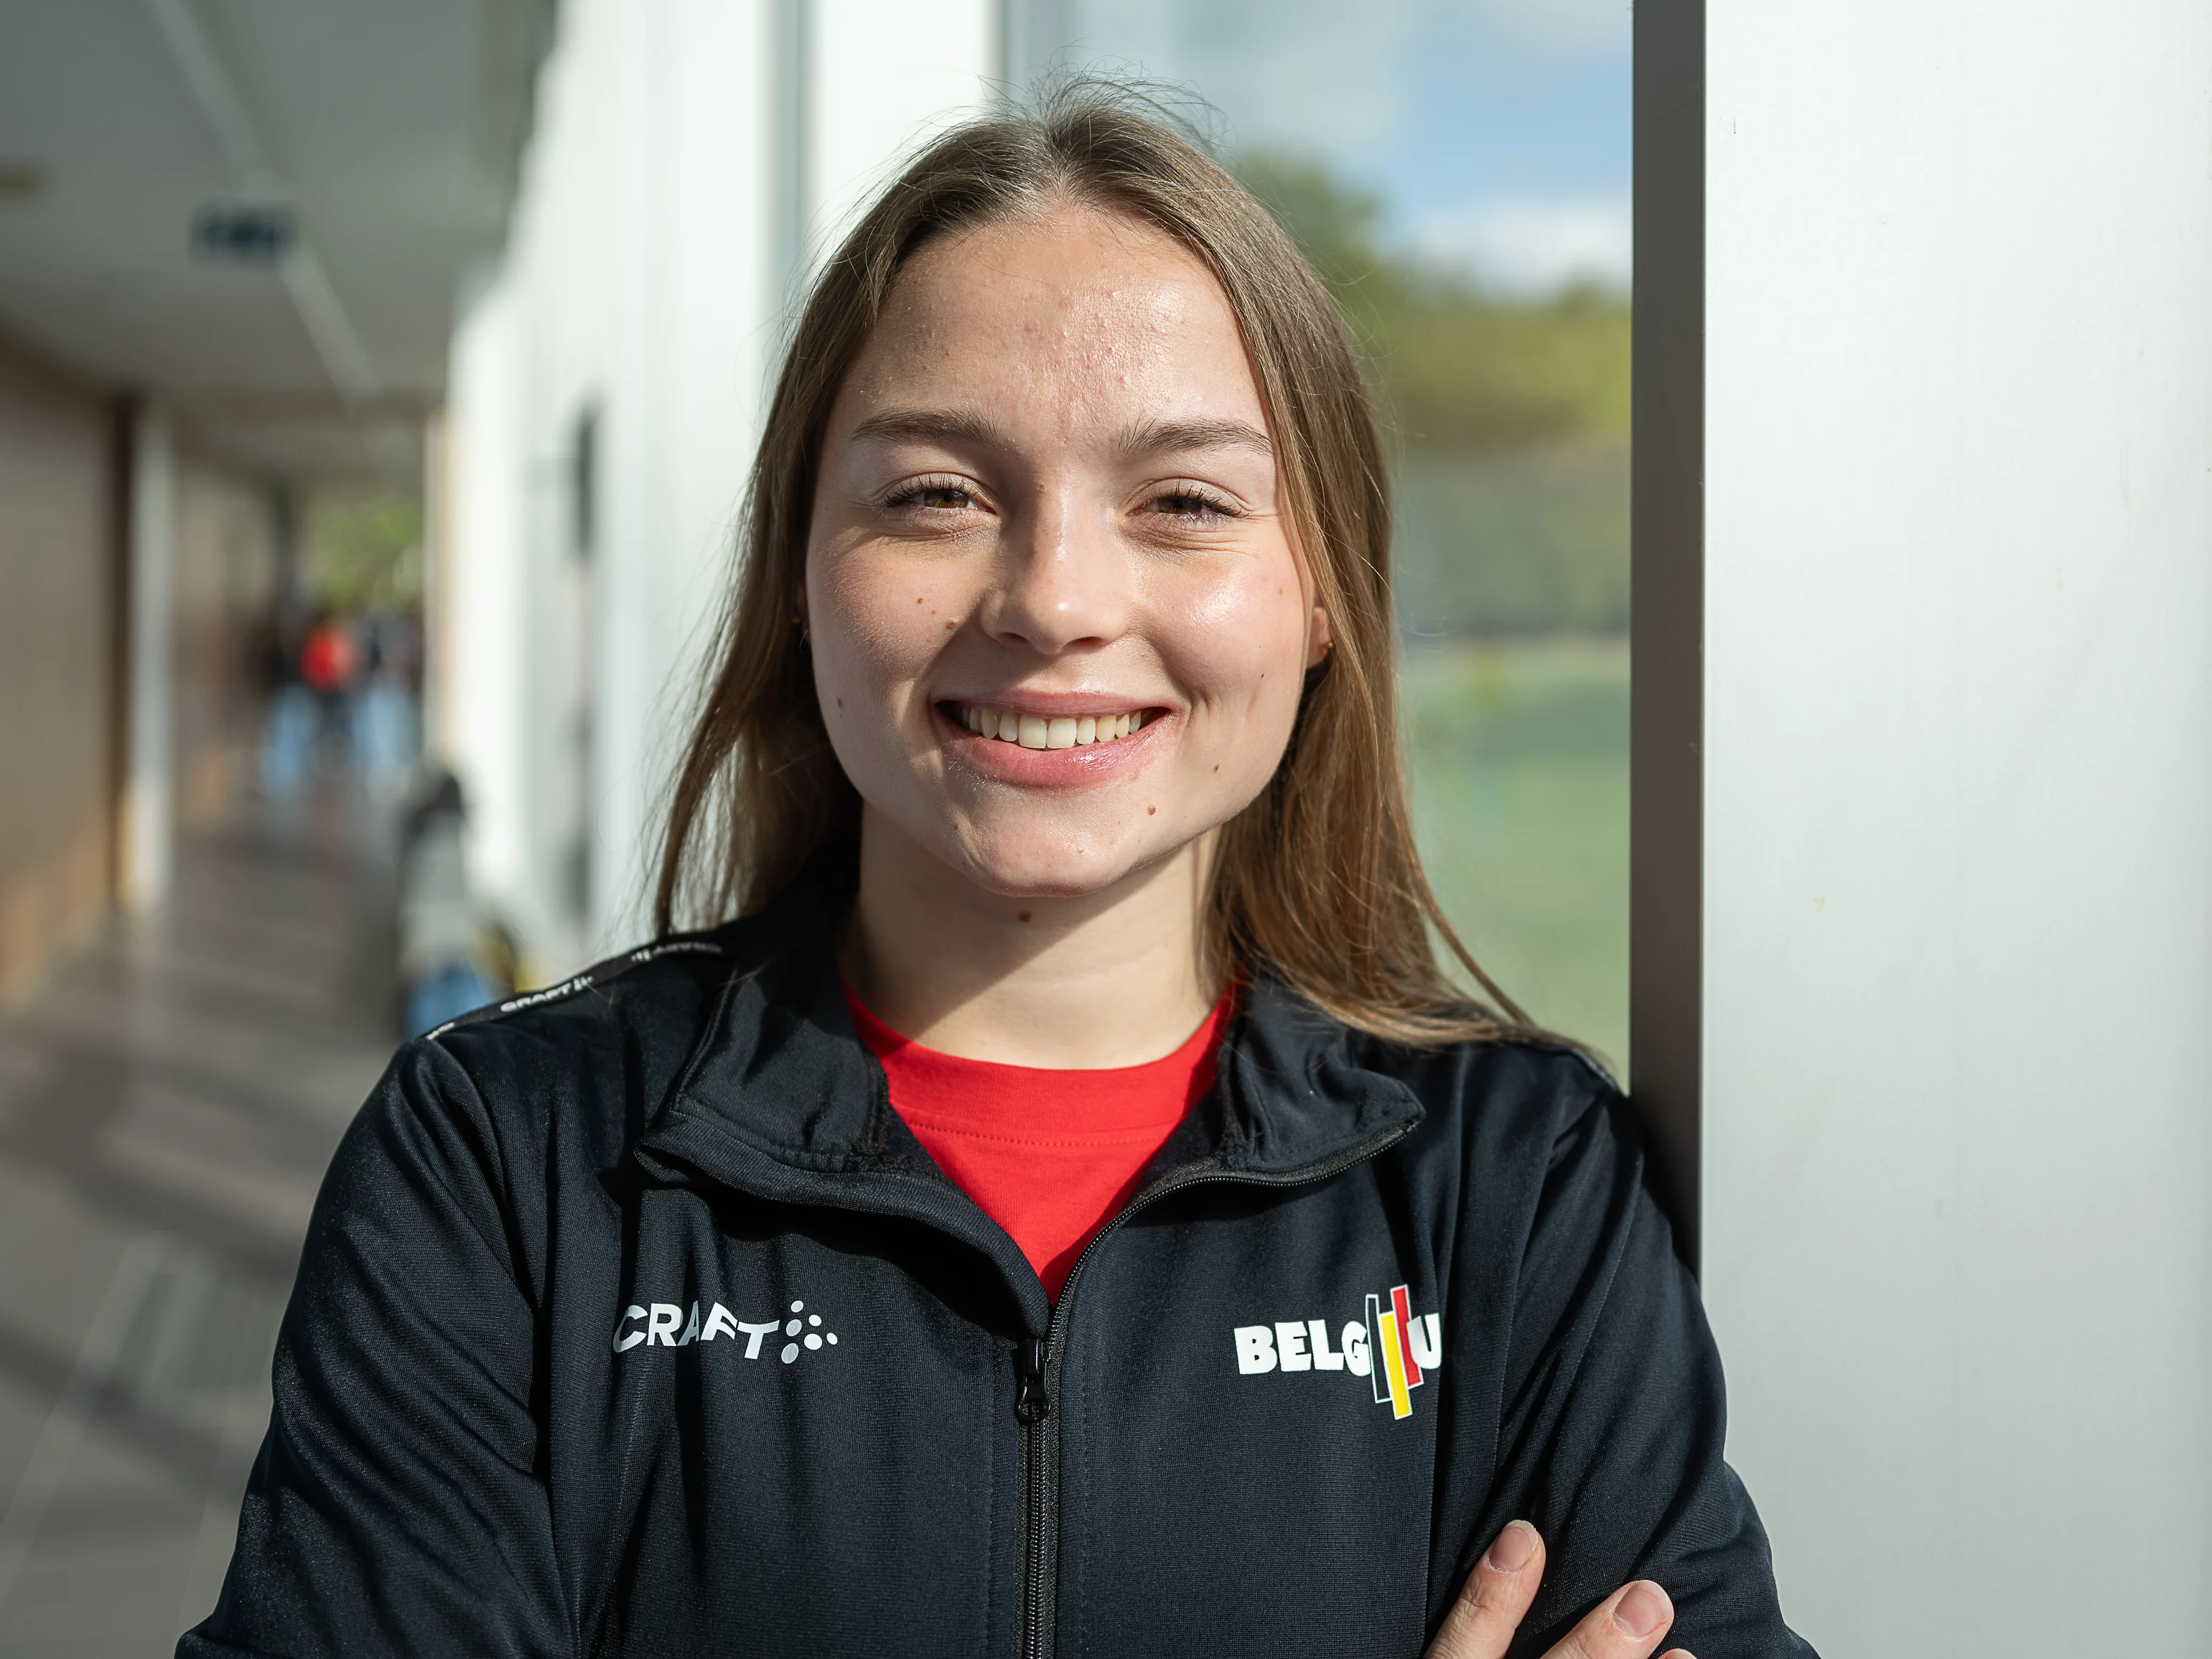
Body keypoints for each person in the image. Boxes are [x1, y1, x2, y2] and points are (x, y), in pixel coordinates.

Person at [180, 87, 1812, 1659]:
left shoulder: (1511, 1187)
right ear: (803, 580)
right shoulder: (508, 1166)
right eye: (940, 494)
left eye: (1181, 501)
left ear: (1321, 596)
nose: (1051, 598)